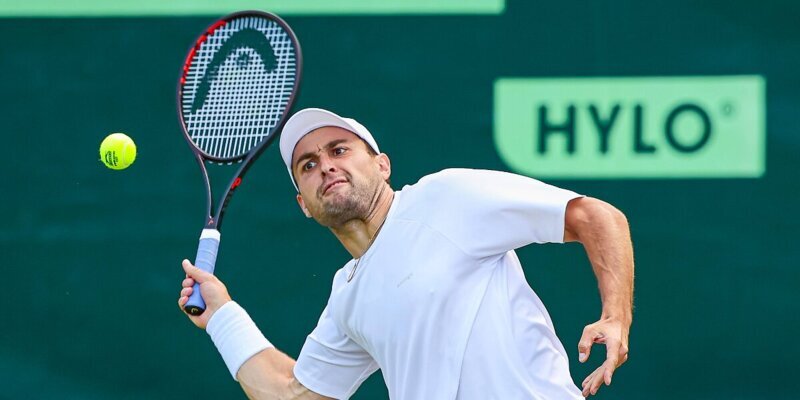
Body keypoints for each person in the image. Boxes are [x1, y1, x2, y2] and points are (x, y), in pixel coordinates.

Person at [178, 108, 634, 399]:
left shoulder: (446, 196)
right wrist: (221, 315)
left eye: (339, 150)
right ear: (304, 205)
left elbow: (594, 216)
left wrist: (615, 316)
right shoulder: (348, 297)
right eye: (308, 165)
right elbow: (293, 394)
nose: (326, 166)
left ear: (382, 165)